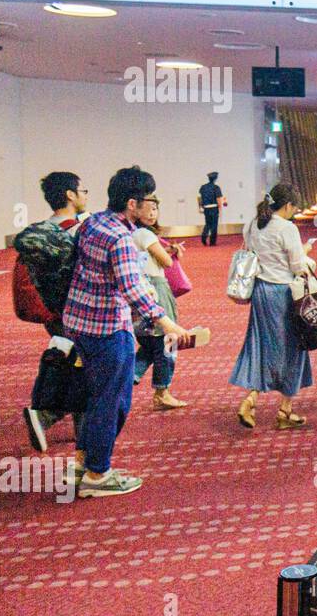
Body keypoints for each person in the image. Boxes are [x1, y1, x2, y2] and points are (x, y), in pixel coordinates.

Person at [62, 166, 193, 498]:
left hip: (78, 323)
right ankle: (98, 474)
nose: (152, 206)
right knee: (113, 401)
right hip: (107, 329)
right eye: (149, 200)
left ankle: (82, 462)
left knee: (95, 396)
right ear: (132, 203)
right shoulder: (120, 237)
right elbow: (134, 290)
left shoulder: (92, 223)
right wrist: (170, 326)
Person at [230, 183, 315, 430]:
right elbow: (297, 266)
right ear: (288, 205)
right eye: (294, 208)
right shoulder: (287, 228)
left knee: (260, 347)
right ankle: (285, 409)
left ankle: (251, 399)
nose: (295, 212)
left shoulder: (253, 224)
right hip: (283, 293)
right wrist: (307, 253)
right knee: (295, 347)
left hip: (260, 292)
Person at [19, 172, 88, 452]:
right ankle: (46, 415)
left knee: (72, 363)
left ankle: (71, 426)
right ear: (70, 195)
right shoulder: (79, 229)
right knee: (87, 370)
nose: (86, 195)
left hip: (53, 312)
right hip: (82, 311)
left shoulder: (40, 233)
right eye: (83, 190)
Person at [130, 194, 189, 410]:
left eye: (156, 208)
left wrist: (167, 250)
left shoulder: (131, 233)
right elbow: (165, 262)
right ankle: (162, 391)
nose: (153, 212)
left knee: (150, 343)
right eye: (149, 208)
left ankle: (130, 377)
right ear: (135, 208)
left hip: (144, 289)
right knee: (168, 341)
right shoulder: (144, 234)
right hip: (156, 289)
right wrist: (167, 254)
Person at [197, 171, 225, 246]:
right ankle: (212, 242)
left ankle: (204, 236)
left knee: (208, 224)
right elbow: (219, 199)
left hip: (206, 208)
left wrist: (200, 207)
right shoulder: (216, 188)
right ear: (215, 179)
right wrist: (220, 208)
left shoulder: (203, 187)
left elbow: (199, 198)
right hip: (214, 208)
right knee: (214, 225)